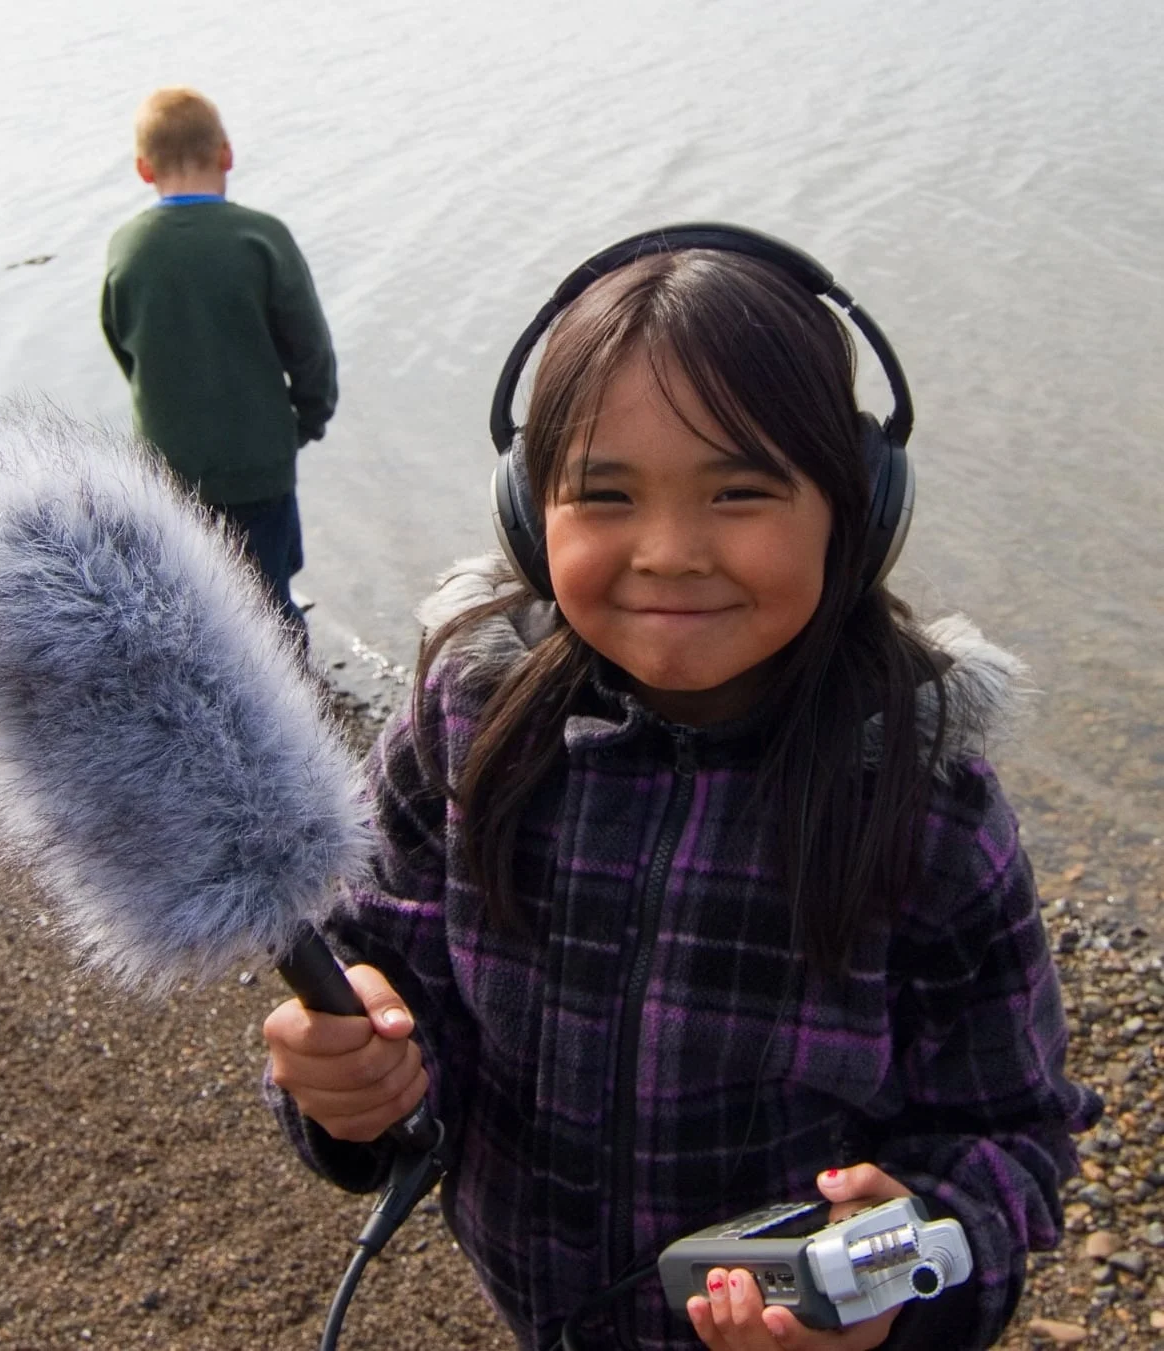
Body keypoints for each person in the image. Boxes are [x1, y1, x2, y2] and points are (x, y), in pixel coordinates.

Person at [260, 228, 1101, 1351]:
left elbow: (1014, 1137)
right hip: (539, 1307)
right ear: (527, 510)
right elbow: (393, 987)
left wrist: (907, 1275)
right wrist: (351, 1082)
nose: (667, 550)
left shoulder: (922, 806)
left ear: (857, 511)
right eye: (603, 495)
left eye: (739, 490)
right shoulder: (470, 725)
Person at [101, 86, 337, 641]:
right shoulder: (261, 237)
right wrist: (309, 418)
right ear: (226, 154)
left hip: (170, 468)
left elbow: (123, 348)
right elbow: (310, 347)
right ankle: (291, 714)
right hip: (261, 459)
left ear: (142, 168)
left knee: (196, 595)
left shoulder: (127, 248)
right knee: (271, 597)